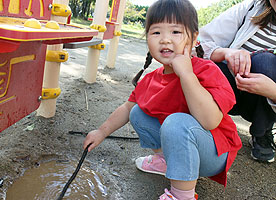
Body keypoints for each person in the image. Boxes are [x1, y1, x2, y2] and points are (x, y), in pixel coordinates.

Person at [83, 0, 242, 199]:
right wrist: (101, 131)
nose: (165, 40)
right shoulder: (150, 79)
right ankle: (167, 162)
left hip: (213, 154)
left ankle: (182, 195)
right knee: (137, 112)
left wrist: (186, 74)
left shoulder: (206, 70)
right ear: (147, 39)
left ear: (193, 39)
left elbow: (209, 121)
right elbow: (126, 108)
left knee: (176, 122)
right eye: (156, 32)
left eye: (175, 32)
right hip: (181, 146)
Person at [199, 0, 276, 163]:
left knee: (266, 61)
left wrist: (273, 91)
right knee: (207, 70)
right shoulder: (251, 8)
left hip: (262, 103)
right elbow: (198, 44)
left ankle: (262, 132)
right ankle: (206, 124)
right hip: (229, 88)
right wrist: (226, 53)